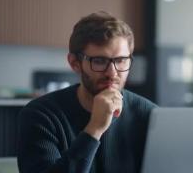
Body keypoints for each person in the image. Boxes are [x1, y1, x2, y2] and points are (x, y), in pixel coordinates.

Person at [17, 12, 156, 173]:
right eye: (99, 61)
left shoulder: (150, 116)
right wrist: (94, 129)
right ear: (75, 63)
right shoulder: (40, 115)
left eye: (120, 60)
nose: (112, 73)